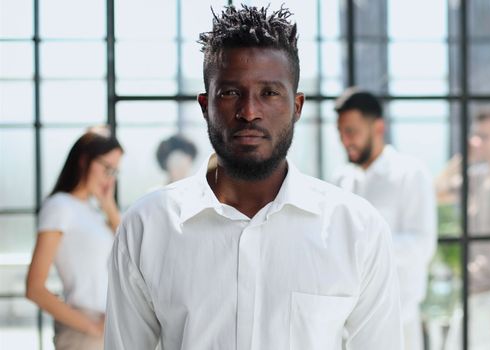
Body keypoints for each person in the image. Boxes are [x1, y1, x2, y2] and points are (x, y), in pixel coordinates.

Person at [105, 5, 403, 349]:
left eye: (270, 93)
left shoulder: (356, 228)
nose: (249, 112)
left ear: (297, 106)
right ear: (205, 105)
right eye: (231, 93)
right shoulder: (148, 225)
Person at [332, 89, 437, 350]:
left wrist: (363, 246)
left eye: (352, 131)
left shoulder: (410, 174)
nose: (345, 140)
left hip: (398, 323)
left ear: (378, 127)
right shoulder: (341, 180)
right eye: (341, 133)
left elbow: (422, 246)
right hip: (347, 325)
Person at [26, 126, 123, 350]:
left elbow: (128, 249)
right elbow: (34, 288)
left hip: (106, 328)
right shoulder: (59, 206)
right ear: (84, 160)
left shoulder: (91, 210)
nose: (109, 179)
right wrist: (93, 328)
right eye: (107, 168)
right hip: (84, 332)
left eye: (114, 172)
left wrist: (108, 207)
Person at [436, 109, 490, 349]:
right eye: (475, 135)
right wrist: (463, 158)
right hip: (472, 291)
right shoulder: (475, 177)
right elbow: (434, 192)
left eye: (486, 135)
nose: (478, 141)